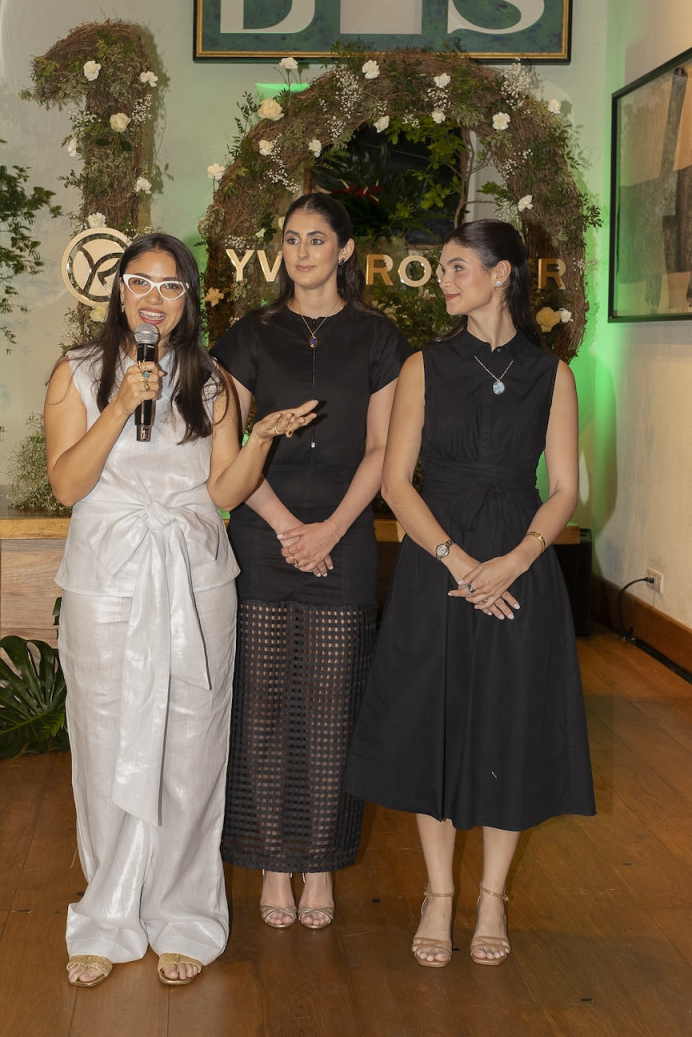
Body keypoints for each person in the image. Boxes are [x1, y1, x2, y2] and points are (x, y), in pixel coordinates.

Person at [43, 233, 315, 988]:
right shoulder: (78, 374)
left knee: (192, 753)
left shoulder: (215, 382)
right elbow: (67, 485)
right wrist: (121, 403)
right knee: (106, 748)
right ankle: (107, 917)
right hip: (108, 578)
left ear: (190, 300)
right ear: (118, 291)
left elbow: (224, 495)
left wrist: (258, 439)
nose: (153, 299)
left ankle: (185, 917)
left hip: (196, 580)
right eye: (140, 283)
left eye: (170, 287)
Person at [343, 218, 595, 968]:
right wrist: (458, 564)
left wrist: (515, 561)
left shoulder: (554, 375)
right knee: (434, 723)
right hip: (436, 564)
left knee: (508, 726)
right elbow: (395, 482)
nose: (444, 281)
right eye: (442, 269)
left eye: (457, 268)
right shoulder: (424, 366)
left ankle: (491, 899)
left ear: (502, 274)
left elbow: (565, 490)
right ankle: (438, 894)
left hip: (520, 568)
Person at [212, 192, 410, 929]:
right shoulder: (249, 336)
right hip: (263, 533)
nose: (302, 252)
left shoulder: (380, 337)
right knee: (261, 705)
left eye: (317, 240)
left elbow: (385, 449)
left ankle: (320, 867)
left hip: (347, 536)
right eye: (291, 239)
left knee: (332, 707)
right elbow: (225, 451)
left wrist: (328, 531)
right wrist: (290, 525)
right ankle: (270, 865)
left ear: (346, 250)